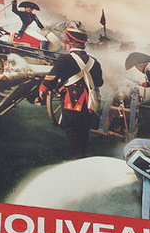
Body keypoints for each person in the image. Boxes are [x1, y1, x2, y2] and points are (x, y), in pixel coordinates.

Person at [39, 24, 104, 159]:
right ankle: (81, 156)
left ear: (69, 42)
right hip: (90, 103)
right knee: (84, 131)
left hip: (72, 101)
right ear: (83, 44)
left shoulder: (65, 59)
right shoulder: (94, 62)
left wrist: (43, 89)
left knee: (72, 131)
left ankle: (77, 159)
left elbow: (51, 78)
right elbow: (99, 83)